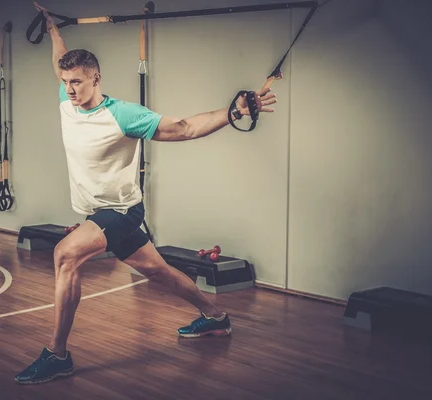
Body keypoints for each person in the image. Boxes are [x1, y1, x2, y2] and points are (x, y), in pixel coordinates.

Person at [15, 2, 277, 385]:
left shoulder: (122, 114)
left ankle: (57, 355)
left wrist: (233, 112)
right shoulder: (66, 100)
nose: (70, 89)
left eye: (78, 82)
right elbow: (60, 61)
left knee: (65, 255)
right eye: (66, 81)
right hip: (103, 211)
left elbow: (185, 128)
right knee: (158, 271)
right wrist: (53, 29)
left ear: (96, 79)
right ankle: (215, 317)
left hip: (119, 211)